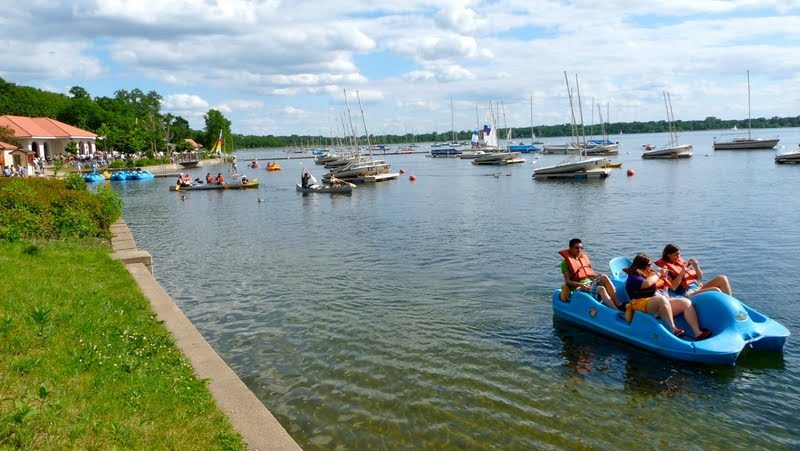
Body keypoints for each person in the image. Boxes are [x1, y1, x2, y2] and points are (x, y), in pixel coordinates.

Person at [624, 253, 711, 339]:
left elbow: (664, 290)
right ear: (642, 265)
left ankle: (697, 332)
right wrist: (658, 273)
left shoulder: (649, 274)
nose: (651, 267)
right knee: (661, 299)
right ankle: (674, 329)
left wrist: (664, 276)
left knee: (686, 302)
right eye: (649, 265)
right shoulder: (633, 278)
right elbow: (647, 283)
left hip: (657, 303)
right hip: (640, 304)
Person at [559, 238, 622, 310]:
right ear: (570, 249)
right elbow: (567, 281)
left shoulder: (582, 259)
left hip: (589, 284)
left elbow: (590, 276)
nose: (579, 250)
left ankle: (619, 304)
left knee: (604, 277)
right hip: (579, 288)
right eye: (576, 248)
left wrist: (598, 276)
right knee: (601, 288)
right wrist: (581, 284)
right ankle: (616, 310)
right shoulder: (564, 263)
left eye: (581, 248)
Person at [655, 243, 732, 296]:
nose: (679, 256)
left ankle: (731, 302)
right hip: (687, 293)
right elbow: (673, 287)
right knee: (716, 290)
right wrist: (682, 273)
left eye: (679, 254)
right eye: (676, 254)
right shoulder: (664, 269)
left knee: (722, 278)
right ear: (668, 254)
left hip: (697, 288)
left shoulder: (679, 262)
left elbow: (699, 278)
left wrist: (696, 266)